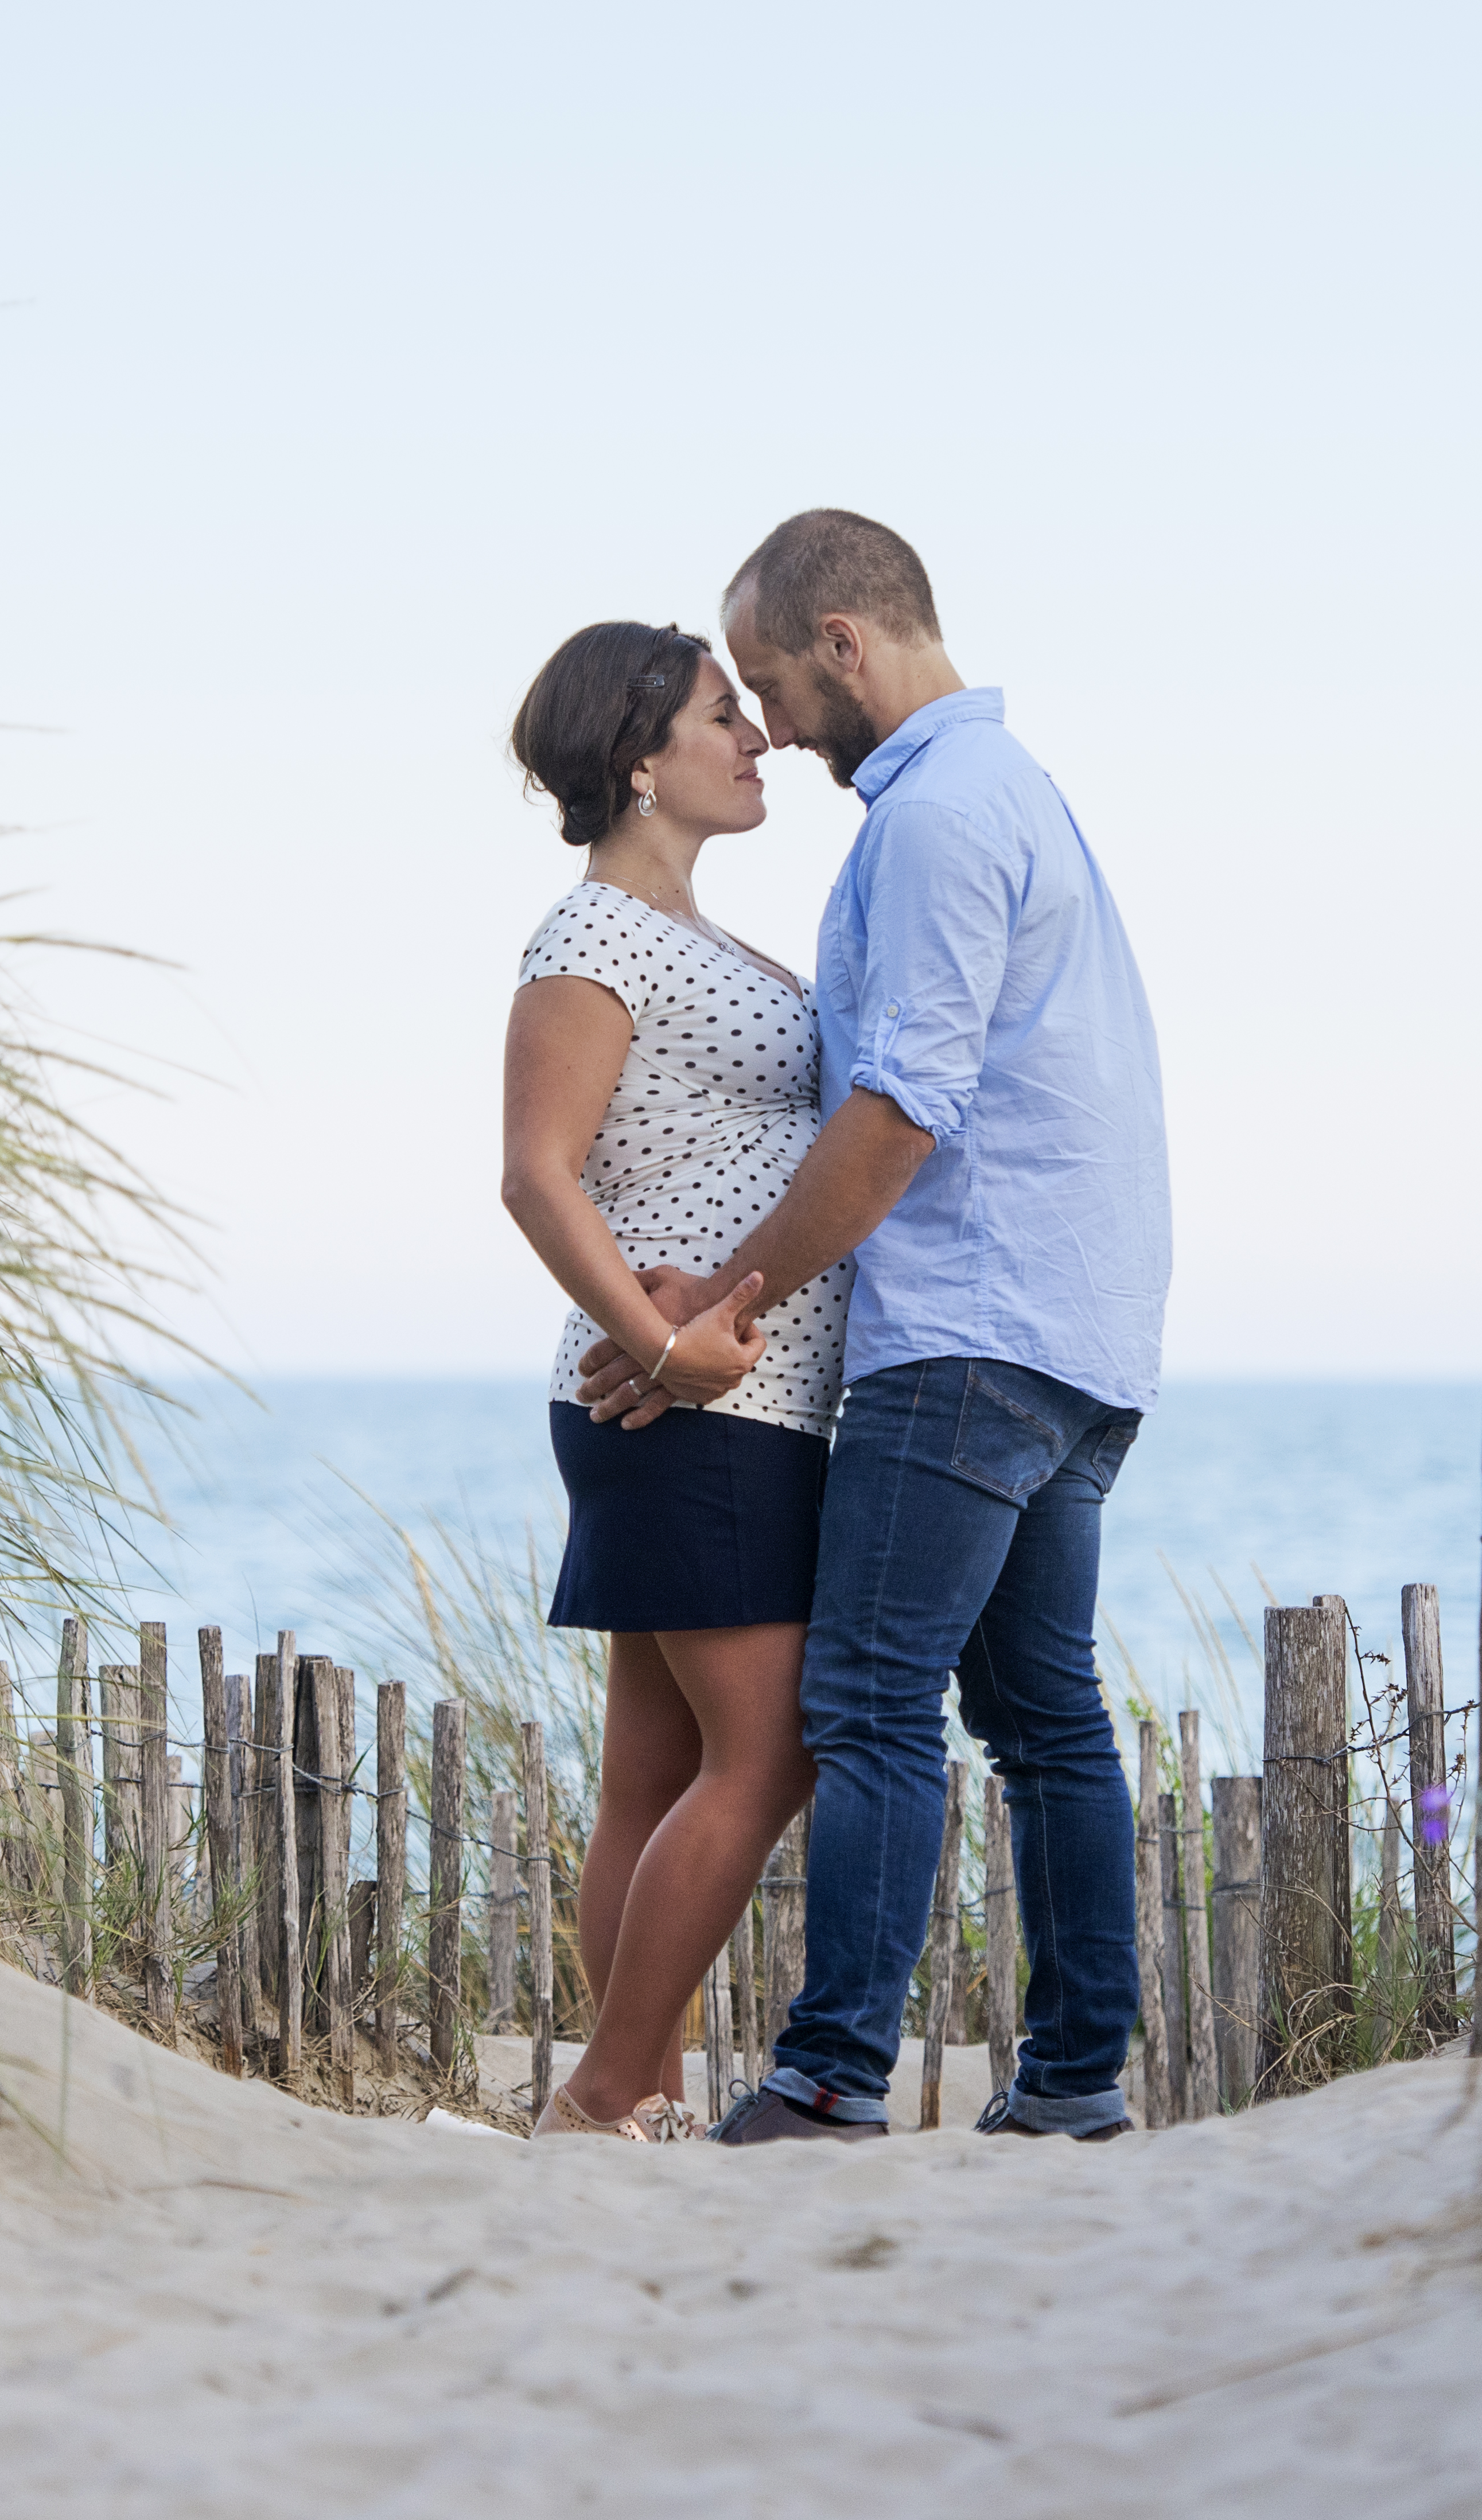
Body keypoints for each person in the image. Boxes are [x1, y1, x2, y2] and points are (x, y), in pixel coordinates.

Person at [577, 512, 1172, 2144]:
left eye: (768, 680)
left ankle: (832, 2073)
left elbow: (901, 1108)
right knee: (1044, 1716)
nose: (765, 722)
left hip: (968, 1328)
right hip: (1083, 1327)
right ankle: (1068, 2084)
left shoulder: (933, 820)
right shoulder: (1011, 792)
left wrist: (723, 1293)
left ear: (844, 644)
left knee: (865, 1698)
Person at [497, 619, 849, 2140]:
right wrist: (663, 1347)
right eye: (725, 716)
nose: (756, 736)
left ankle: (636, 2093)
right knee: (765, 1757)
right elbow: (534, 1176)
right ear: (642, 759)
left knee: (653, 1770)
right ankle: (604, 2093)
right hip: (694, 1409)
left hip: (728, 1402)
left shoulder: (696, 938)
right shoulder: (590, 943)